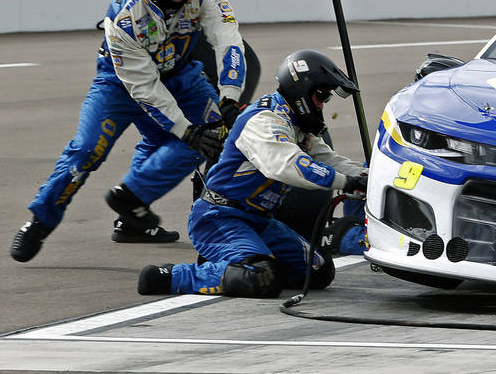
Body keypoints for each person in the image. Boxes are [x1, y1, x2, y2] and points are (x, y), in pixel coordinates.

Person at [11, 0, 245, 262]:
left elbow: (229, 41)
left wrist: (230, 96)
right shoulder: (124, 17)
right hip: (119, 84)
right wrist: (184, 129)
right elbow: (145, 90)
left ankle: (132, 202)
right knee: (86, 150)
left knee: (215, 134)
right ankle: (39, 221)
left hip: (180, 74)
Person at [136, 50, 368, 296]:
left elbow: (330, 160)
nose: (323, 105)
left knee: (319, 272)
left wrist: (370, 178)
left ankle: (239, 261)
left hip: (260, 221)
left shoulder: (297, 125)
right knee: (262, 277)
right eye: (321, 96)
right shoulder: (264, 120)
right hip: (219, 217)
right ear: (302, 90)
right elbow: (289, 165)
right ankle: (171, 277)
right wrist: (347, 182)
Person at [101, 0, 253, 225]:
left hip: (159, 52)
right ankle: (143, 196)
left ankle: (132, 215)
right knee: (213, 129)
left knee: (158, 136)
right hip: (153, 56)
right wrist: (228, 95)